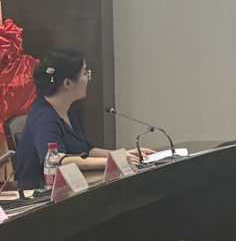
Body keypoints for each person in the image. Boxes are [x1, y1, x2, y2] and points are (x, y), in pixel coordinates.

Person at [16, 49, 152, 189]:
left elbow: (86, 149)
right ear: (68, 83)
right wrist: (111, 162)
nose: (88, 78)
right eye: (85, 73)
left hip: (70, 186)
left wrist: (121, 155)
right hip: (40, 193)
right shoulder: (44, 117)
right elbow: (57, 160)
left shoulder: (70, 109)